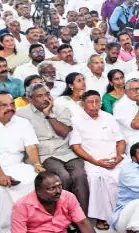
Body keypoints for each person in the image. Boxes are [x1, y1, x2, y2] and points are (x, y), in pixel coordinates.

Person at [11, 172, 107, 233]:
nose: (58, 191)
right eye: (52, 188)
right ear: (38, 191)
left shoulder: (68, 197)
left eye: (59, 186)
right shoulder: (22, 205)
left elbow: (83, 223)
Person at [16, 83, 90, 214]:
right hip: (44, 154)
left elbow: (64, 132)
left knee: (80, 176)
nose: (45, 98)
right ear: (30, 99)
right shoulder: (21, 114)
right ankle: (61, 214)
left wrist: (49, 114)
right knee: (62, 177)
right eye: (40, 96)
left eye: (47, 94)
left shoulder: (61, 109)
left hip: (66, 152)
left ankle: (80, 216)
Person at [68, 91, 126, 231]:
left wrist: (118, 157)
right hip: (92, 159)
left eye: (97, 102)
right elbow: (76, 146)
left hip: (114, 157)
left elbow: (120, 140)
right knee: (95, 178)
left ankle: (124, 212)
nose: (95, 105)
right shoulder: (76, 120)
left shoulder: (108, 117)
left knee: (125, 174)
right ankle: (102, 217)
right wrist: (96, 162)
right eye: (90, 102)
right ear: (82, 104)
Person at [0, 91, 43, 233]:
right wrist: (0, 175)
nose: (10, 108)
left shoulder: (22, 122)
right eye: (4, 105)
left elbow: (31, 146)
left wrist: (37, 164)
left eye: (12, 104)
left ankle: (33, 225)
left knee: (34, 180)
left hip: (17, 165)